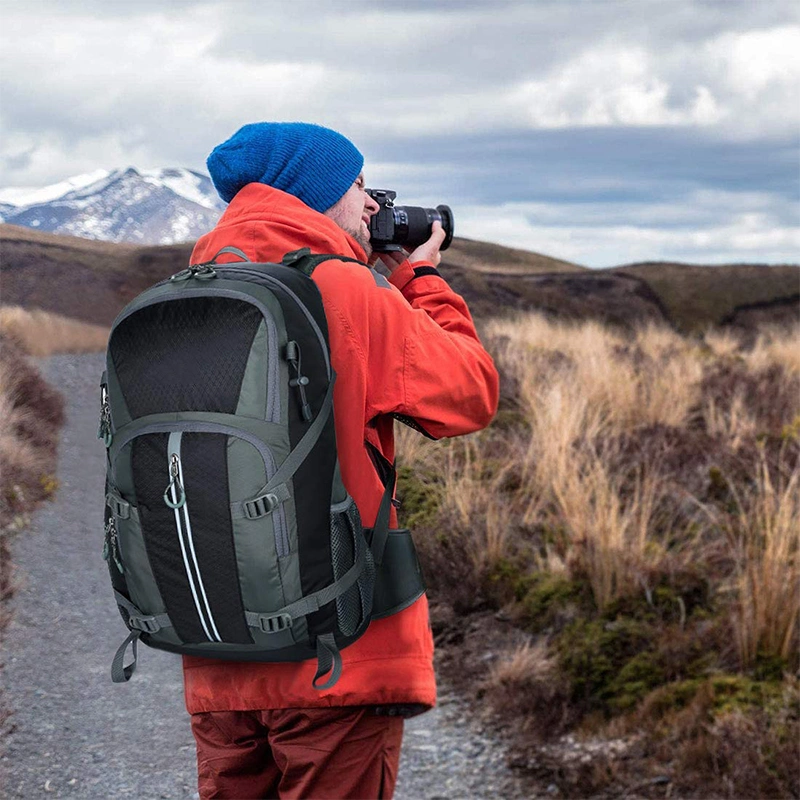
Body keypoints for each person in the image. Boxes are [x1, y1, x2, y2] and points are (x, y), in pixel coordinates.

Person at [185, 122, 499, 799]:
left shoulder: (185, 291)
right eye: (358, 186)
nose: (370, 207)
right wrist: (418, 278)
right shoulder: (345, 290)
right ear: (318, 193)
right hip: (337, 656)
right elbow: (470, 393)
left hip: (217, 651)